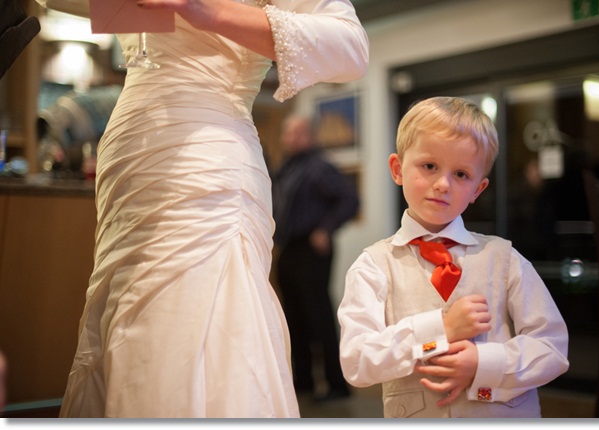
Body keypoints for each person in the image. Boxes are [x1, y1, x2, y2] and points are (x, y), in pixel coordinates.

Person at [45, 0, 368, 418]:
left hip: (208, 148)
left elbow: (350, 48)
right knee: (124, 306)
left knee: (188, 309)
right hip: (131, 147)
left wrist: (201, 9)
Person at [338, 97, 569, 418]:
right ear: (397, 169)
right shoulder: (372, 266)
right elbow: (356, 361)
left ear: (478, 189)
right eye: (429, 166)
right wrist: (440, 329)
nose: (442, 184)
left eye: (461, 174)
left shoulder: (506, 259)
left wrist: (482, 364)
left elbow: (552, 348)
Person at [272, 114, 357, 402]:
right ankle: (303, 381)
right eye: (287, 133)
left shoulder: (318, 167)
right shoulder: (287, 169)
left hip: (312, 250)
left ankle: (336, 384)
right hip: (288, 249)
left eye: (296, 133)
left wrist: (325, 229)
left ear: (310, 136)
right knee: (293, 318)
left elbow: (349, 199)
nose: (290, 138)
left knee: (318, 317)